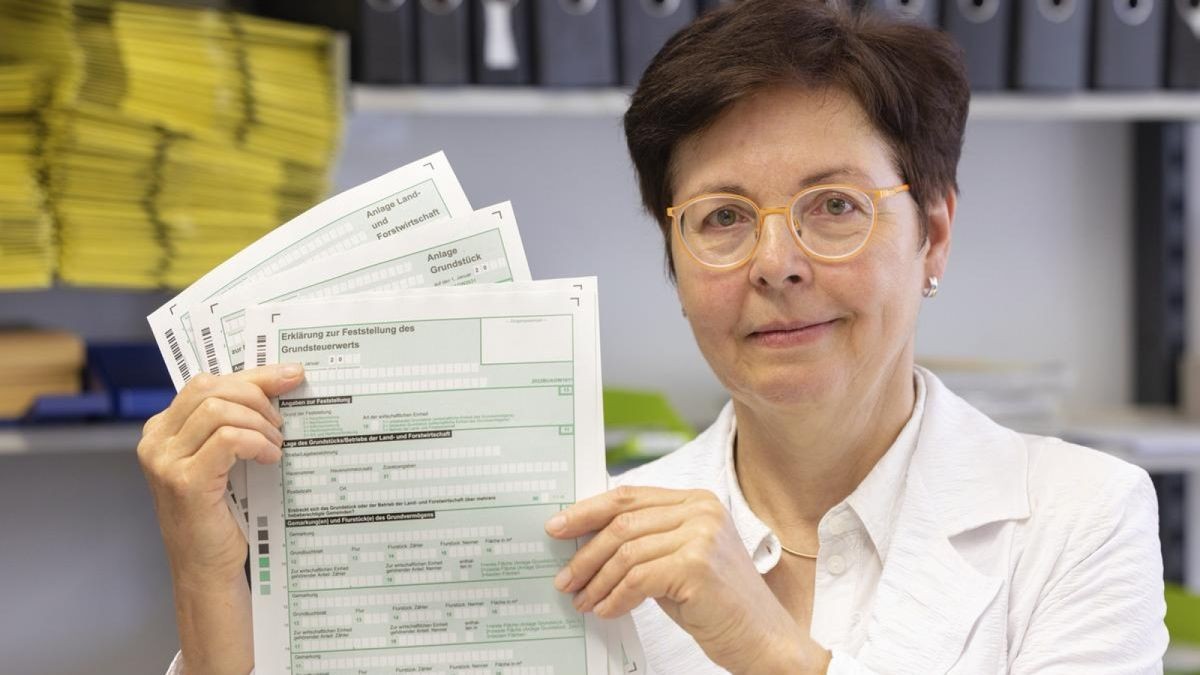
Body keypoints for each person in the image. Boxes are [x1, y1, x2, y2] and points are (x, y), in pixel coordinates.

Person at [141, 1, 1168, 673]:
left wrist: (758, 641)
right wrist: (206, 574)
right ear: (674, 261)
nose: (776, 263)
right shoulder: (578, 534)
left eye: (835, 206)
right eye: (721, 218)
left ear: (934, 230)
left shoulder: (1079, 517)